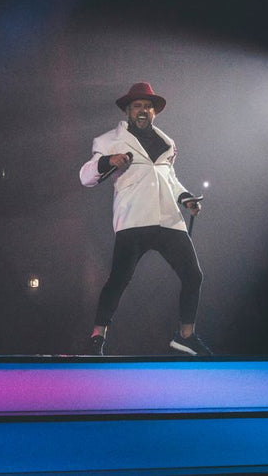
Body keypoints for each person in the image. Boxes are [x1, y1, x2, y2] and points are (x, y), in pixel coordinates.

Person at [80, 82, 211, 356]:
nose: (143, 111)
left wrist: (185, 198)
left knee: (193, 275)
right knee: (118, 279)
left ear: (155, 113)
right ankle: (97, 336)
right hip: (134, 219)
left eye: (148, 107)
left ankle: (186, 336)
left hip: (168, 220)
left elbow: (169, 178)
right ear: (128, 110)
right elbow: (86, 176)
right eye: (137, 106)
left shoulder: (167, 143)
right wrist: (108, 162)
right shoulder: (109, 141)